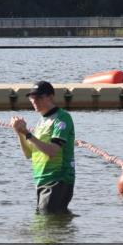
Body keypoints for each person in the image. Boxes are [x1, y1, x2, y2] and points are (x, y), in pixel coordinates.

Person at [10, 81, 76, 214]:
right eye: (32, 97)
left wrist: (27, 133)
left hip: (57, 179)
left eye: (39, 97)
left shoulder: (62, 118)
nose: (34, 100)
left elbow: (52, 151)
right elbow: (28, 154)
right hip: (41, 180)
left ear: (51, 97)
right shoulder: (41, 122)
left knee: (47, 223)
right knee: (44, 225)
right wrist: (20, 133)